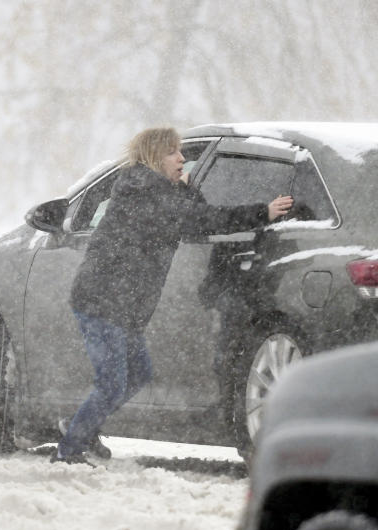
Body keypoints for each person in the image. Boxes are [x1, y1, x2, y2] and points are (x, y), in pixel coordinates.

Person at [53, 127, 293, 464]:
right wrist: (261, 213)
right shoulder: (142, 192)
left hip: (126, 304)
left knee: (137, 374)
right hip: (102, 299)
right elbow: (202, 220)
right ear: (153, 157)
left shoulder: (164, 192)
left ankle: (82, 426)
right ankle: (69, 451)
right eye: (172, 153)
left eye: (181, 152)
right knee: (112, 381)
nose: (182, 158)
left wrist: (186, 187)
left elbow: (192, 212)